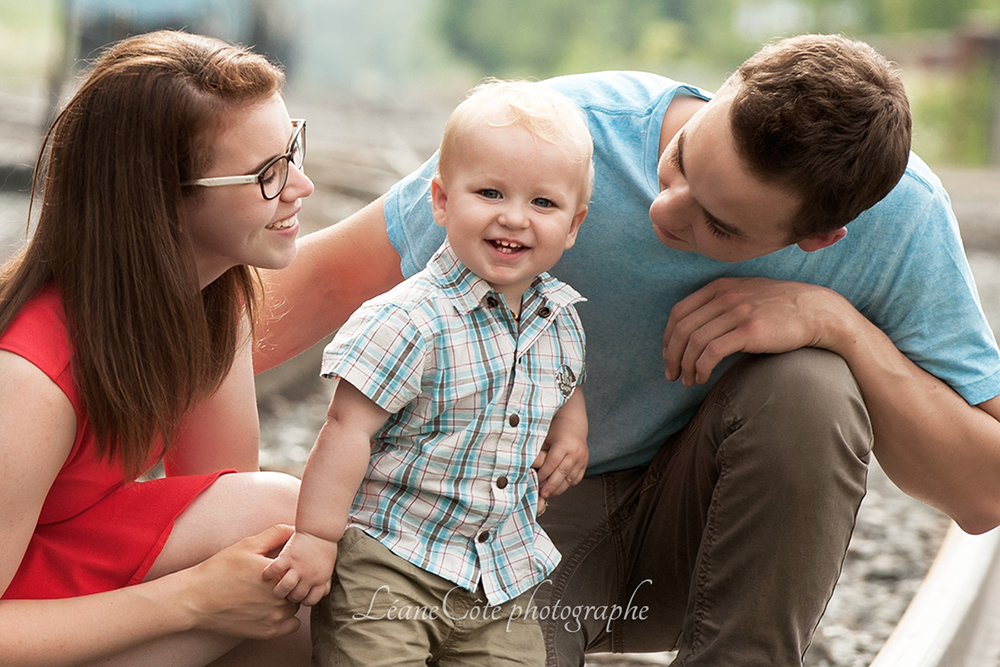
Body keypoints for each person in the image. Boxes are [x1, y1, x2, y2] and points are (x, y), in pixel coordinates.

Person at [256, 34, 1000, 666]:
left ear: (820, 238)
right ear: (726, 89)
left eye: (719, 226)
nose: (663, 208)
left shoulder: (900, 222)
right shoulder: (561, 138)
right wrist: (142, 395)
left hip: (698, 539)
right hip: (514, 526)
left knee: (813, 385)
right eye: (680, 159)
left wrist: (836, 322)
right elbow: (323, 285)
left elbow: (984, 490)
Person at [0, 31, 315, 666]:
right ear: (161, 201)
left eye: (292, 149)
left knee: (290, 573)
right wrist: (191, 601)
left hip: (62, 565)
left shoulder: (210, 296)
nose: (300, 186)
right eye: (267, 174)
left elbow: (228, 499)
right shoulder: (28, 379)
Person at [263, 80, 593, 666]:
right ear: (441, 200)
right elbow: (345, 429)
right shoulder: (408, 319)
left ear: (573, 225)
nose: (514, 217)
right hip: (392, 559)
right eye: (490, 192)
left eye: (543, 203)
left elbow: (563, 379)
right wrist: (315, 537)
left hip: (500, 572)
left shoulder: (560, 318)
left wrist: (572, 431)